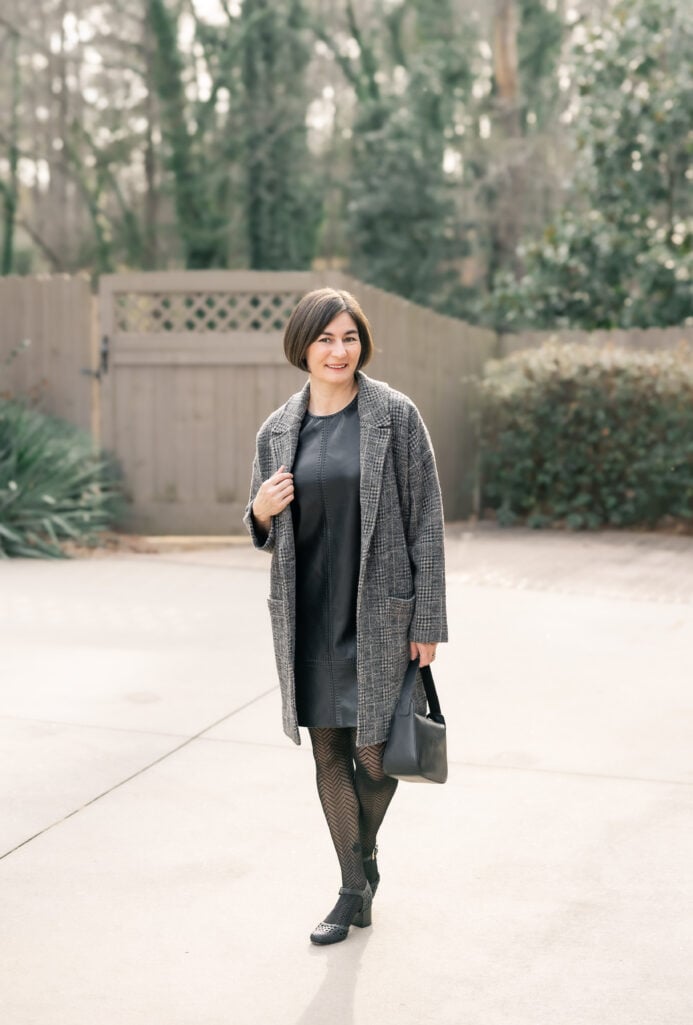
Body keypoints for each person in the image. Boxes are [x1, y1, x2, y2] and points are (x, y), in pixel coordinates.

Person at [244, 287, 447, 945]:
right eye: (326, 338)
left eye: (349, 336)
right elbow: (265, 526)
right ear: (301, 345)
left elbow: (424, 521)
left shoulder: (394, 415)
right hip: (309, 614)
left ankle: (358, 861)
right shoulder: (278, 428)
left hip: (380, 613)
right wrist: (259, 513)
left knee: (376, 755)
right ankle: (351, 888)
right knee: (329, 749)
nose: (339, 350)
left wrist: (427, 622)